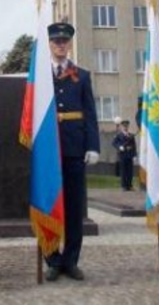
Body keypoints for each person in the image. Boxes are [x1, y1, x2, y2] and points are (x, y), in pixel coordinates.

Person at [45, 22, 100, 282]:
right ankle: (52, 259)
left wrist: (93, 145)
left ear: (69, 44)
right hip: (47, 149)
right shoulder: (40, 75)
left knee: (74, 207)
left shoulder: (82, 75)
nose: (60, 44)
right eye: (56, 41)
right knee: (48, 205)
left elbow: (90, 113)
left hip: (74, 147)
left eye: (64, 41)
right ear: (50, 44)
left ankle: (71, 260)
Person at [111, 119, 136, 191]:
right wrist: (119, 146)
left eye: (127, 126)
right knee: (123, 171)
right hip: (123, 155)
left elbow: (134, 145)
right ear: (122, 127)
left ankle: (130, 185)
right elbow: (114, 143)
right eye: (124, 126)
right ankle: (124, 186)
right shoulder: (119, 135)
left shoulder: (131, 135)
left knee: (130, 171)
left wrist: (134, 155)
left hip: (129, 155)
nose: (125, 127)